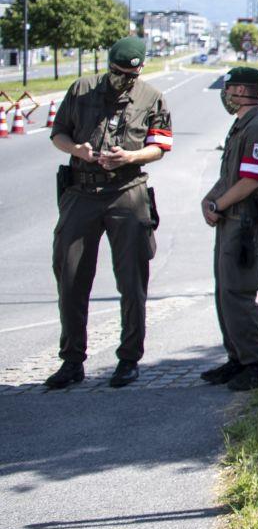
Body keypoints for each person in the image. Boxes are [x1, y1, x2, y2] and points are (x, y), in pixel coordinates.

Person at [45, 36, 173, 389]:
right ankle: (72, 361)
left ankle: (129, 358)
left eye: (130, 76)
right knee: (70, 277)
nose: (123, 81)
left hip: (126, 192)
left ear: (140, 70)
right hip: (81, 191)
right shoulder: (81, 90)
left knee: (132, 280)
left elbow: (161, 145)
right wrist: (79, 150)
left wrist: (130, 157)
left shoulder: (151, 97)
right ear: (108, 66)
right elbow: (58, 134)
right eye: (117, 73)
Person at [199, 66, 258, 391]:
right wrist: (211, 199)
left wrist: (219, 205)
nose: (226, 94)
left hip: (244, 221)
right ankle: (237, 358)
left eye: (230, 88)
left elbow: (250, 180)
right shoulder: (241, 126)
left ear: (243, 91)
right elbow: (230, 175)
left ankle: (256, 363)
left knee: (239, 292)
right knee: (224, 292)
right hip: (229, 218)